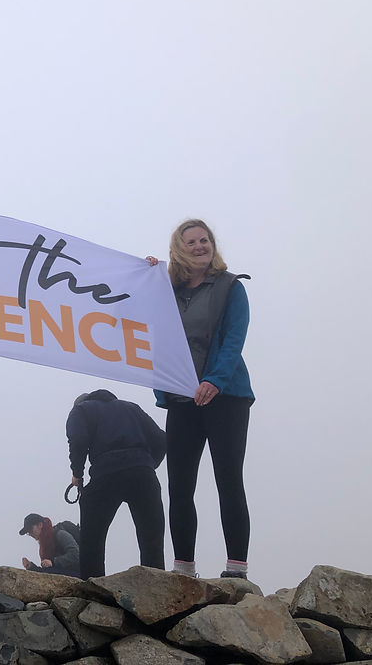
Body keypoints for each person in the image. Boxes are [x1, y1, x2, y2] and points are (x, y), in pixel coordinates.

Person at [147, 218, 255, 579]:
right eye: (191, 241)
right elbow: (145, 323)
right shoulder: (166, 290)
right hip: (182, 400)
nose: (199, 246)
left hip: (226, 397)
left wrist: (215, 381)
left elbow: (234, 339)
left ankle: (236, 569)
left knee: (228, 480)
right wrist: (145, 276)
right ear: (179, 248)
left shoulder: (230, 287)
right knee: (179, 485)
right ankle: (183, 569)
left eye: (204, 240)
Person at [66, 389, 166, 579]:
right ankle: (156, 584)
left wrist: (77, 473)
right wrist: (147, 464)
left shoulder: (80, 410)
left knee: (91, 537)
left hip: (106, 474)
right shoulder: (131, 408)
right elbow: (161, 439)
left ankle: (92, 586)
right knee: (151, 536)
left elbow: (77, 439)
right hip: (142, 473)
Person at [18, 513, 80, 578]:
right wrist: (31, 567)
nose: (30, 534)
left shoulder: (60, 534)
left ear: (40, 525)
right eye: (28, 533)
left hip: (79, 572)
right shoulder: (43, 546)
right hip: (65, 573)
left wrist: (53, 562)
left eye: (30, 530)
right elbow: (46, 571)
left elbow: (76, 554)